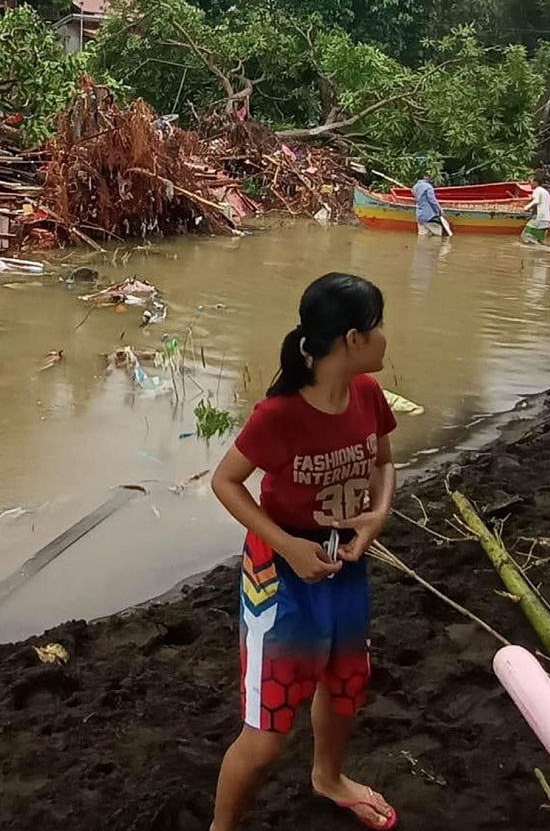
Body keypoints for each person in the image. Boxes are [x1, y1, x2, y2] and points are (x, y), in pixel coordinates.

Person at [209, 274, 398, 831]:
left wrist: (378, 515)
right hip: (281, 576)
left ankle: (328, 777)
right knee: (266, 736)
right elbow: (225, 482)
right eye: (379, 325)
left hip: (346, 564)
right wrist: (288, 546)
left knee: (344, 691)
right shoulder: (279, 415)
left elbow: (384, 462)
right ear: (352, 340)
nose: (387, 336)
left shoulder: (366, 394)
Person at [522, 172, 550, 244]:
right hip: (546, 220)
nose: (530, 184)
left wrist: (526, 207)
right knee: (541, 241)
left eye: (531, 182)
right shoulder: (546, 192)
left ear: (536, 182)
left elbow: (536, 201)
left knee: (526, 236)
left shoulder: (537, 190)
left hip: (539, 219)